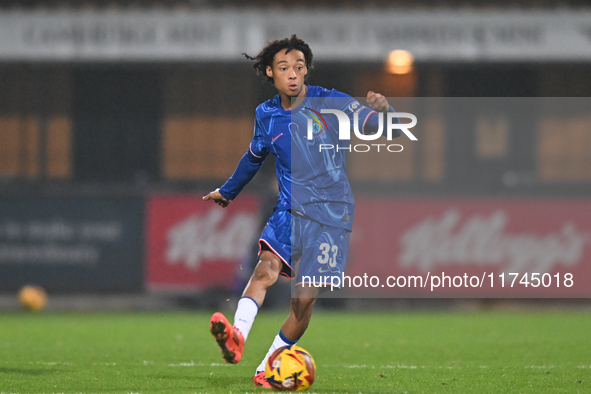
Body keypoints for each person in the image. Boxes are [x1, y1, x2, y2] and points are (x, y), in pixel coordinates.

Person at [203, 34, 396, 388]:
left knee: (303, 301)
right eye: (284, 68)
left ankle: (266, 368)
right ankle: (237, 337)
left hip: (331, 216)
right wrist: (227, 192)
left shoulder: (330, 101)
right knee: (265, 270)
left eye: (299, 67)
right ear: (269, 73)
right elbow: (253, 157)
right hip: (289, 211)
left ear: (306, 70)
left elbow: (387, 129)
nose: (293, 74)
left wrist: (386, 111)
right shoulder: (266, 115)